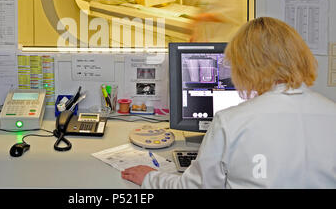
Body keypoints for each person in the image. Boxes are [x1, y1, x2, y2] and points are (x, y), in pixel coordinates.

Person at [121, 17, 336, 188]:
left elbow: (195, 188)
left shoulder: (231, 122)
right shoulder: (331, 113)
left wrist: (150, 178)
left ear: (245, 67)